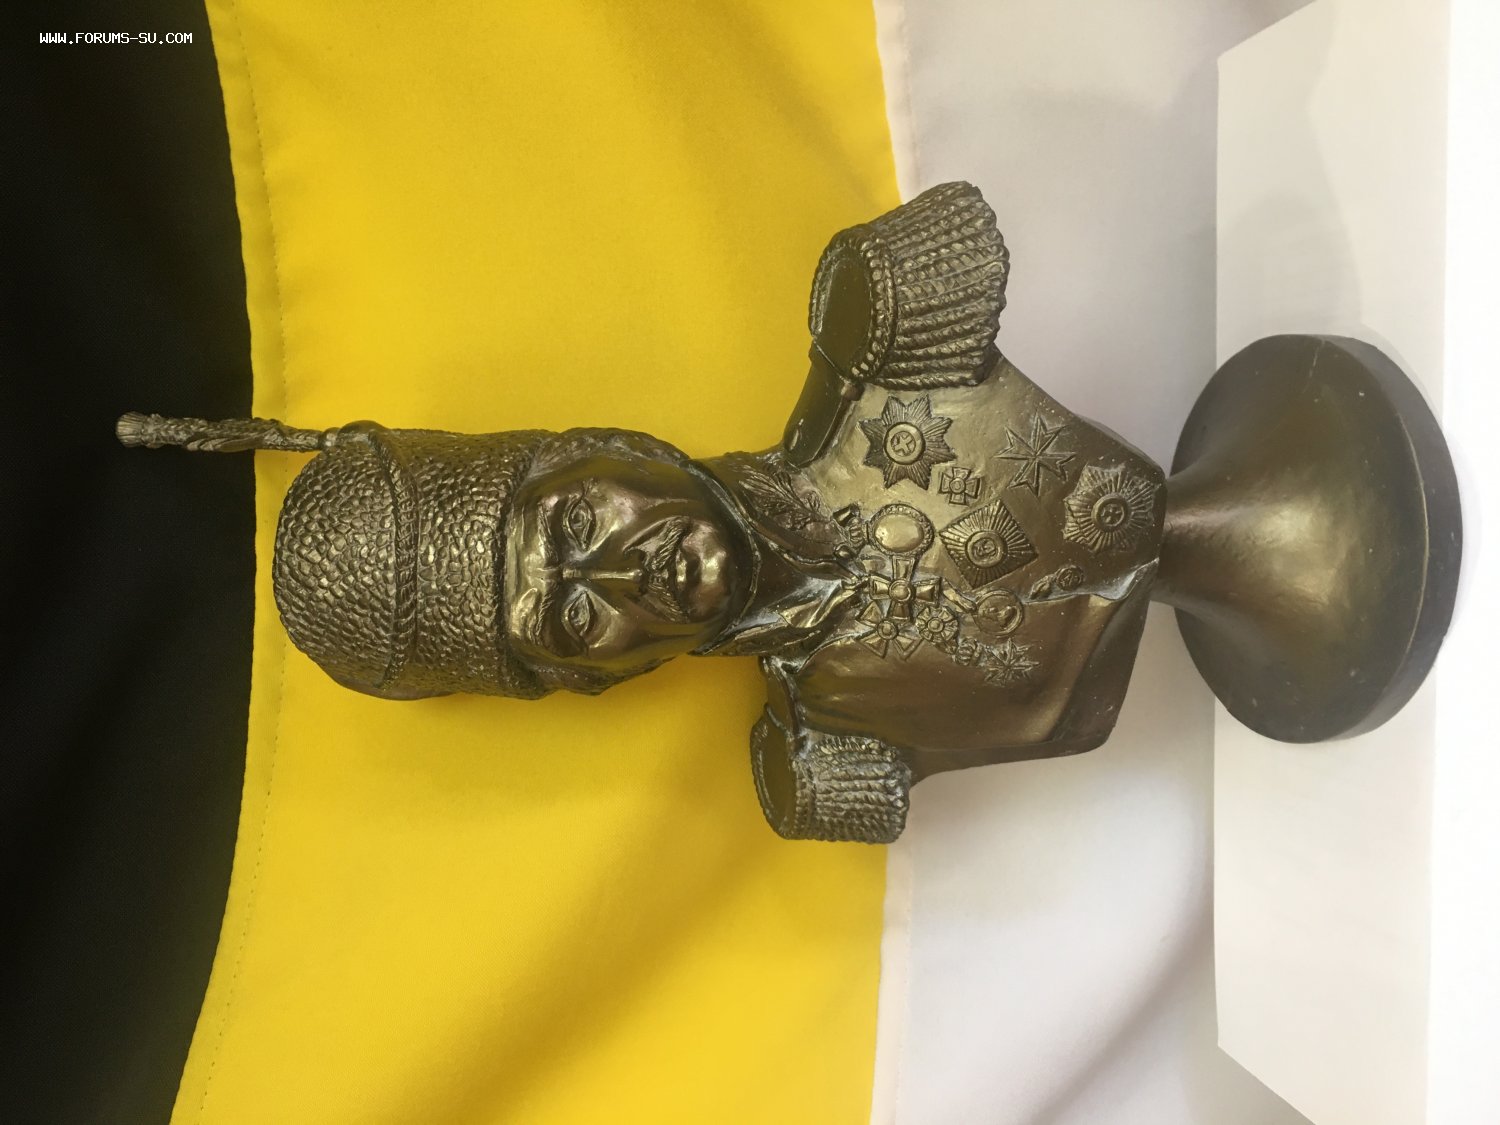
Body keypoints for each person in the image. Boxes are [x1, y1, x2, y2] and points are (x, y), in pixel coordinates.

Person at [119, 182, 1164, 844]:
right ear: (588, 678)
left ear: (589, 447)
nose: (627, 574)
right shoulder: (827, 759)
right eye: (573, 617)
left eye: (573, 528)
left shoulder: (888, 313)